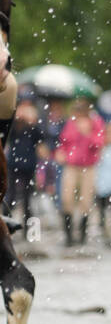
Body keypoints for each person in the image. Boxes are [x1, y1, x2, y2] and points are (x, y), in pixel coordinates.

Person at [55, 97, 106, 245]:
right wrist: (60, 152)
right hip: (71, 166)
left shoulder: (95, 123)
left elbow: (99, 144)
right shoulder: (71, 123)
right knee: (67, 198)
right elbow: (64, 141)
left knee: (86, 201)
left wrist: (87, 134)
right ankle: (68, 236)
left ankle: (82, 236)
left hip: (88, 167)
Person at [5, 99, 48, 236]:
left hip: (29, 166)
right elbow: (6, 135)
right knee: (10, 198)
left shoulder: (33, 127)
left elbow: (42, 138)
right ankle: (6, 228)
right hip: (13, 165)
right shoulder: (13, 126)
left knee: (28, 199)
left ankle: (29, 233)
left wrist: (33, 123)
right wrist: (15, 119)